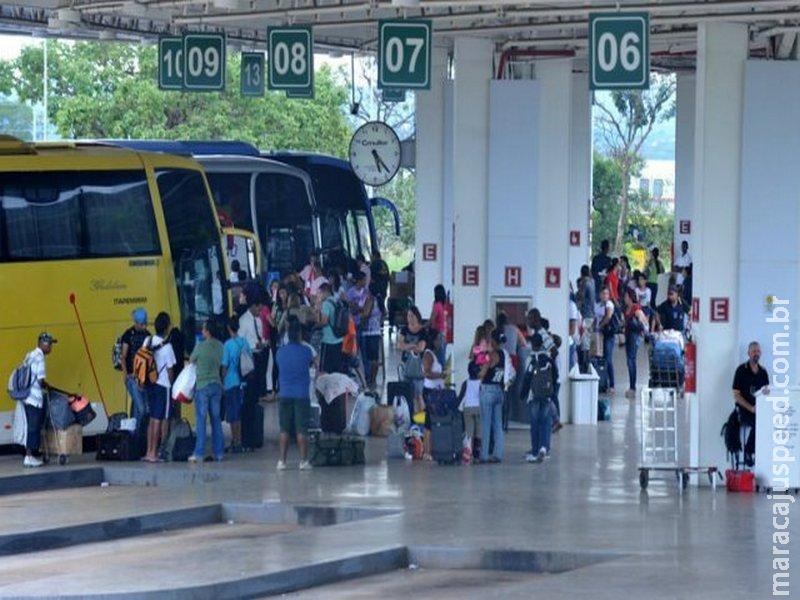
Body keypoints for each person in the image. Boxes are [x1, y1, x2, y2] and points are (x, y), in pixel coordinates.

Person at [275, 317, 315, 471]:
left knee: (284, 429)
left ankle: (282, 462)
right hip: (301, 395)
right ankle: (303, 461)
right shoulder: (306, 351)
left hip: (284, 394)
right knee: (301, 430)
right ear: (299, 334)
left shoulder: (280, 352)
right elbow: (312, 364)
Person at [188, 320, 224, 463]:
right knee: (216, 419)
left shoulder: (200, 346)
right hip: (217, 385)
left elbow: (191, 360)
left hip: (202, 386)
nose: (202, 331)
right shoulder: (220, 346)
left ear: (208, 331)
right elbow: (223, 363)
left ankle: (199, 453)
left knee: (201, 420)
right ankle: (219, 453)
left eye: (203, 329)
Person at [143, 312, 177, 462]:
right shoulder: (168, 347)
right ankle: (154, 454)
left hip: (149, 384)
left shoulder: (147, 340)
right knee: (160, 419)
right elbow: (170, 372)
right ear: (166, 328)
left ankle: (148, 451)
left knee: (152, 419)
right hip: (163, 385)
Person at [20, 333, 57, 468]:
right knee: (34, 427)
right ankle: (29, 456)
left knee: (30, 426)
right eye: (50, 344)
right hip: (34, 398)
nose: (51, 348)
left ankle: (29, 454)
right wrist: (47, 386)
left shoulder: (30, 355)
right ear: (44, 344)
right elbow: (40, 380)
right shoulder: (40, 357)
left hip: (26, 397)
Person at [732, 342, 769, 464]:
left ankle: (765, 456)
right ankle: (748, 452)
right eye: (753, 351)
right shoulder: (741, 370)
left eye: (758, 351)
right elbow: (736, 395)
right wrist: (751, 408)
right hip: (744, 409)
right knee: (757, 424)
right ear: (748, 353)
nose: (756, 354)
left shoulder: (763, 372)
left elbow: (766, 393)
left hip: (760, 409)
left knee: (769, 424)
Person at [222, 316, 250, 454]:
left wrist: (222, 380)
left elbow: (224, 366)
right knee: (238, 412)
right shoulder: (244, 342)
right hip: (242, 382)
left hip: (230, 382)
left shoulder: (227, 345)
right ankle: (239, 441)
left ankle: (235, 441)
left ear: (228, 328)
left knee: (232, 415)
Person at [524, 333, 553, 463]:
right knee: (546, 422)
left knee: (535, 423)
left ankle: (535, 451)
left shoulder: (531, 360)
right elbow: (555, 376)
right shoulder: (548, 359)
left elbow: (527, 378)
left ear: (532, 344)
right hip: (547, 395)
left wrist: (523, 394)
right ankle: (544, 448)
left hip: (534, 396)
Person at [120, 308, 151, 429]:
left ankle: (136, 435)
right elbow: (123, 356)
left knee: (141, 409)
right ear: (136, 323)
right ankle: (135, 434)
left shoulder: (147, 336)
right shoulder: (128, 335)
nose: (144, 326)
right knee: (142, 408)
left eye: (145, 324)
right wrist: (126, 375)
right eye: (142, 324)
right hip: (132, 378)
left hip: (143, 379)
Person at [479, 329, 506, 463]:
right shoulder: (503, 355)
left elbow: (482, 373)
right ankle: (498, 454)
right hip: (499, 390)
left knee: (485, 424)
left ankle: (483, 455)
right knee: (498, 424)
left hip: (487, 390)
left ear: (493, 341)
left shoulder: (490, 355)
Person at [421, 332, 447, 460]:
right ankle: (427, 450)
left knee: (432, 421)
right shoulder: (428, 355)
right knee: (429, 422)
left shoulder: (436, 355)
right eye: (439, 339)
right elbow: (427, 373)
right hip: (430, 392)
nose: (441, 342)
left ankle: (430, 449)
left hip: (436, 391)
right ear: (434, 341)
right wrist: (440, 376)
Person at [239, 297, 268, 404]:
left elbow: (260, 336)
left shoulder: (258, 320)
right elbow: (241, 340)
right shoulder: (243, 320)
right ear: (252, 306)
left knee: (258, 382)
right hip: (249, 355)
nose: (260, 312)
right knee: (251, 384)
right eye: (258, 310)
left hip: (259, 354)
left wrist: (263, 342)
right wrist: (253, 345)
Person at [623, 291, 649, 399]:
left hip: (634, 336)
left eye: (625, 296)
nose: (624, 298)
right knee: (630, 361)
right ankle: (632, 386)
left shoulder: (636, 308)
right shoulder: (626, 308)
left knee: (631, 361)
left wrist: (642, 331)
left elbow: (644, 322)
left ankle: (632, 387)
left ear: (629, 297)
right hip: (629, 336)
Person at [316, 282, 344, 374]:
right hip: (339, 338)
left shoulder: (326, 304)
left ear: (325, 292)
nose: (318, 295)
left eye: (319, 293)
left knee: (325, 369)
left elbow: (324, 321)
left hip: (328, 340)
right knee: (337, 368)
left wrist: (316, 325)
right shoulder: (336, 301)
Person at [457, 361, 482, 464]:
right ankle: (477, 454)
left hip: (467, 409)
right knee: (478, 432)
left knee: (469, 432)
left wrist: (455, 406)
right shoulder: (481, 382)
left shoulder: (465, 383)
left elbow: (460, 397)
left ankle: (467, 451)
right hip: (479, 408)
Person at [360, 287, 383, 390]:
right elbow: (384, 313)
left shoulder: (370, 300)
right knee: (375, 357)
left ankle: (370, 379)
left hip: (368, 332)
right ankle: (373, 379)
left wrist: (360, 314)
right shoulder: (380, 299)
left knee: (369, 358)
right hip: (376, 331)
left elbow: (366, 314)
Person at [596, 287, 617, 395]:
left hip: (608, 335)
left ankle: (612, 384)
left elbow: (608, 317)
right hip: (599, 335)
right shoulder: (598, 305)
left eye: (606, 293)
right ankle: (603, 383)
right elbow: (596, 318)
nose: (604, 295)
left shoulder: (609, 304)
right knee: (601, 359)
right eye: (603, 293)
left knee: (608, 359)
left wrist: (599, 326)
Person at [428, 284, 448, 367]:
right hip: (443, 334)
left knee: (438, 358)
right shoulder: (443, 305)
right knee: (442, 356)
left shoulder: (436, 305)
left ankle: (439, 376)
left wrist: (422, 326)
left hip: (437, 335)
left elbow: (432, 319)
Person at [369, 249, 390, 315]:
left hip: (376, 288)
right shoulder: (384, 263)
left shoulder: (374, 264)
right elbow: (387, 276)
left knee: (377, 306)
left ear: (374, 256)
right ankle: (382, 320)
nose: (371, 258)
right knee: (382, 302)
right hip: (384, 287)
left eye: (371, 256)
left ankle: (381, 317)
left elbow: (371, 277)